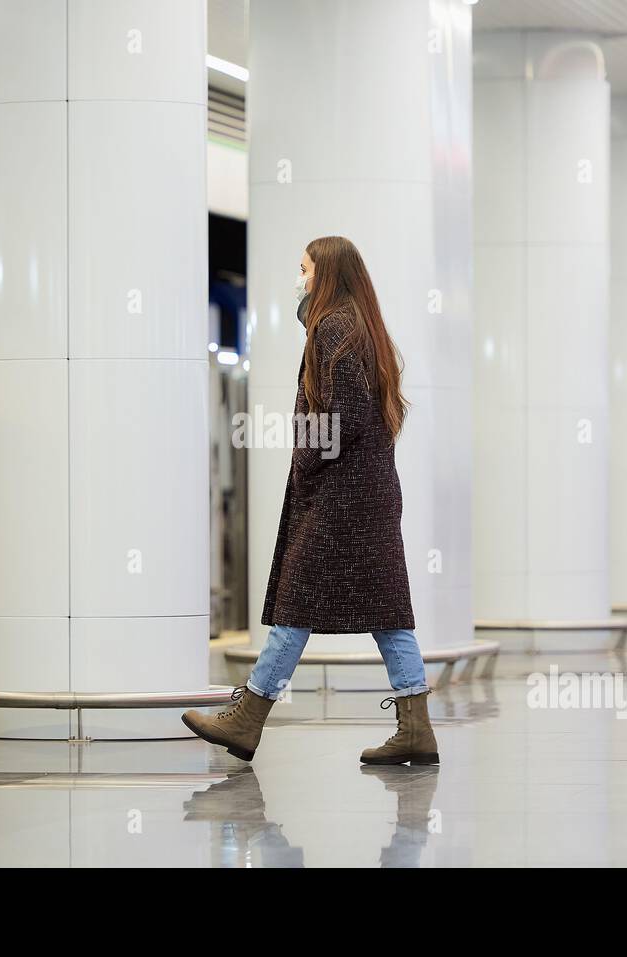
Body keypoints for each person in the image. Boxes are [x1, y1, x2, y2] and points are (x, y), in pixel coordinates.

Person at [183, 236, 439, 766]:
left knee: (296, 600)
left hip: (342, 500)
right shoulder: (361, 327)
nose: (297, 277)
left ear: (326, 273)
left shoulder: (332, 327)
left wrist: (304, 463)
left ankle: (249, 716)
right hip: (367, 495)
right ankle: (415, 726)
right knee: (386, 611)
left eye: (303, 268)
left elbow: (340, 418)